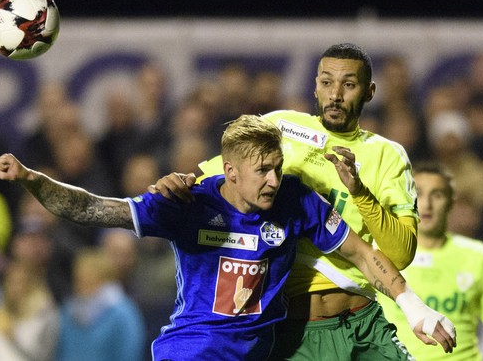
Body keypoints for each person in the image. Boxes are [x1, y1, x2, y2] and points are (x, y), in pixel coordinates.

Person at [0, 115, 455, 360]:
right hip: (192, 352)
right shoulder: (189, 205)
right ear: (229, 171)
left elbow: (362, 253)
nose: (274, 180)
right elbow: (90, 208)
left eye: (276, 167)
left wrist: (414, 308)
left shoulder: (295, 199)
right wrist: (31, 178)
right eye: (262, 171)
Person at [151, 43, 421, 359]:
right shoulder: (281, 127)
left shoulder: (387, 155)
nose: (335, 94)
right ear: (315, 86)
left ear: (370, 91)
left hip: (361, 322)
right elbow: (216, 182)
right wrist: (178, 184)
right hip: (292, 331)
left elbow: (401, 254)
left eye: (348, 84)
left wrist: (360, 192)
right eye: (326, 82)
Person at [378, 162, 483, 360]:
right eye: (418, 193)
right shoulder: (383, 253)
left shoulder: (478, 256)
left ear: (451, 202)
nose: (426, 204)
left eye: (437, 195)